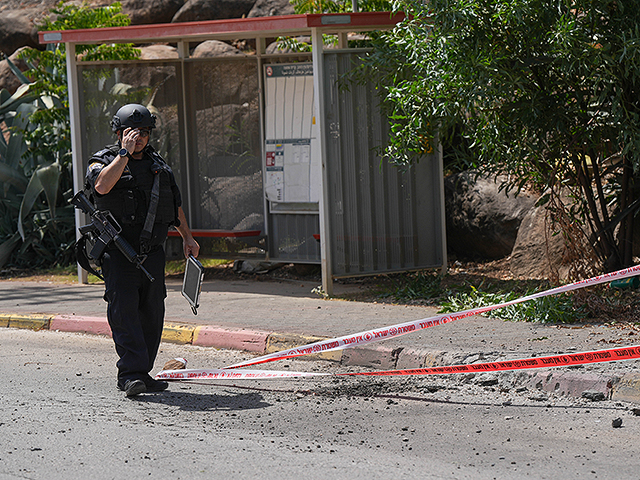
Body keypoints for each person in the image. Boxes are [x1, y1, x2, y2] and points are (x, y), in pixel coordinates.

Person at [85, 103, 200, 397]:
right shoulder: (104, 160)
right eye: (133, 132)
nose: (139, 138)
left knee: (152, 311)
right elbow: (100, 187)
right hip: (119, 252)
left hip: (152, 251)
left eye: (144, 133)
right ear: (120, 133)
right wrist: (123, 154)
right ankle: (130, 374)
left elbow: (173, 206)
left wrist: (187, 237)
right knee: (125, 312)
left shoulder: (158, 166)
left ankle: (143, 371)